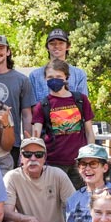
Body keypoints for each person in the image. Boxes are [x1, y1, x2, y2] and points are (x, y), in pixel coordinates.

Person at [32, 58, 95, 188]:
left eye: (58, 76)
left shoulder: (80, 100)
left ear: (66, 77)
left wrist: (90, 157)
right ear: (45, 79)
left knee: (79, 201)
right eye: (50, 77)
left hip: (79, 163)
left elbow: (89, 132)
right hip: (54, 163)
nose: (54, 79)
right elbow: (36, 136)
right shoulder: (42, 105)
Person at [0, 35, 35, 166]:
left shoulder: (22, 80)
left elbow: (27, 115)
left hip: (13, 145)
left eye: (1, 48)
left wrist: (27, 146)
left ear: (8, 51)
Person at [29, 28, 89, 103]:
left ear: (68, 46)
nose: (56, 46)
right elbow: (32, 107)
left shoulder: (79, 74)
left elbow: (83, 103)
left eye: (61, 43)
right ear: (47, 47)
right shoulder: (34, 76)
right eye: (52, 43)